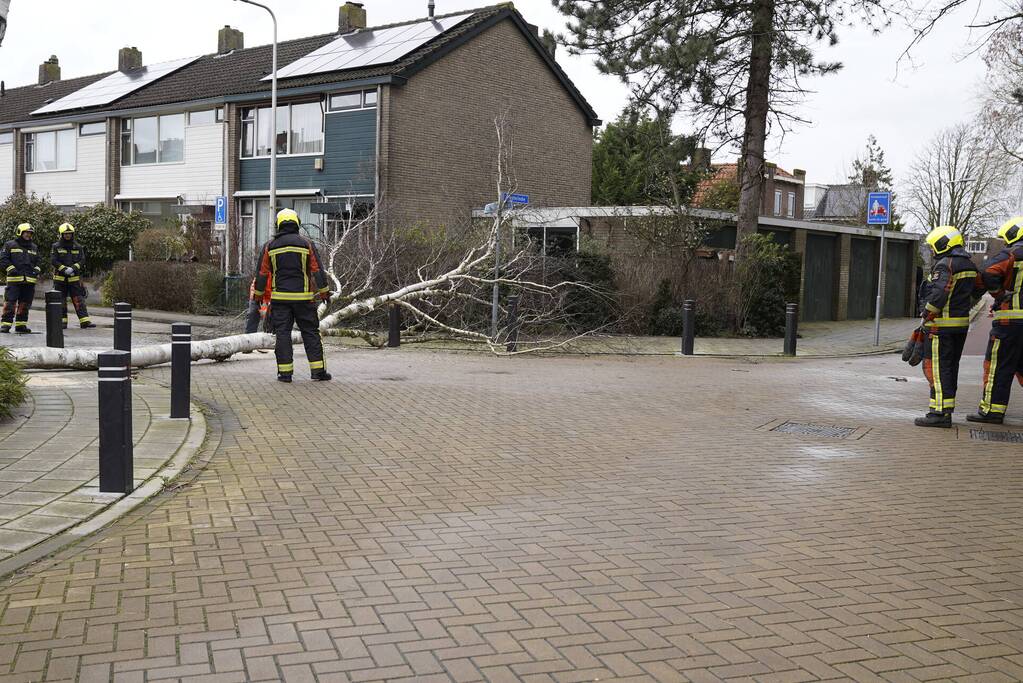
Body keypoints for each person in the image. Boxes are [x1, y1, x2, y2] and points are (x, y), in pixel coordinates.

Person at [915, 225, 984, 428]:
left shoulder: (945, 265)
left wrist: (926, 314)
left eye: (935, 246)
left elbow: (938, 294)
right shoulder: (970, 265)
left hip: (940, 327)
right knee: (950, 368)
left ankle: (939, 413)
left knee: (937, 369)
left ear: (944, 243)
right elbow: (979, 288)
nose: (934, 251)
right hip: (960, 326)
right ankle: (945, 409)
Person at [253, 209, 332, 383]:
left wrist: (258, 298)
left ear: (278, 224)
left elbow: (262, 274)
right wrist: (325, 292)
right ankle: (318, 372)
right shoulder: (306, 244)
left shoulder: (269, 246)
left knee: (282, 334)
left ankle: (285, 374)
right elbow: (317, 270)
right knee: (311, 332)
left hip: (280, 300)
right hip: (304, 299)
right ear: (297, 223)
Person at [967, 216, 1023, 424]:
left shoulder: (1011, 254)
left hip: (1010, 323)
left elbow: (989, 271)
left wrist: (999, 295)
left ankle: (992, 411)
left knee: (998, 368)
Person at [50, 222, 95, 329]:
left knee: (79, 300)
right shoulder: (56, 246)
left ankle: (85, 321)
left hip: (74, 279)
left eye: (69, 233)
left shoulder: (78, 246)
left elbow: (82, 260)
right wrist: (64, 269)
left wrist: (73, 268)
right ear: (61, 234)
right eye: (65, 234)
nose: (68, 235)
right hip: (60, 279)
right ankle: (62, 322)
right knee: (61, 301)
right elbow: (54, 260)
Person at [0, 223, 41, 334]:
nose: (28, 235)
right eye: (26, 232)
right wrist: (11, 269)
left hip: (29, 281)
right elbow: (3, 259)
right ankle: (5, 325)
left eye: (30, 233)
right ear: (20, 232)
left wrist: (37, 270)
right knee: (10, 302)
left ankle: (21, 325)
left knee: (25, 303)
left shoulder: (34, 247)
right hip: (14, 280)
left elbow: (39, 262)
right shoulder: (10, 245)